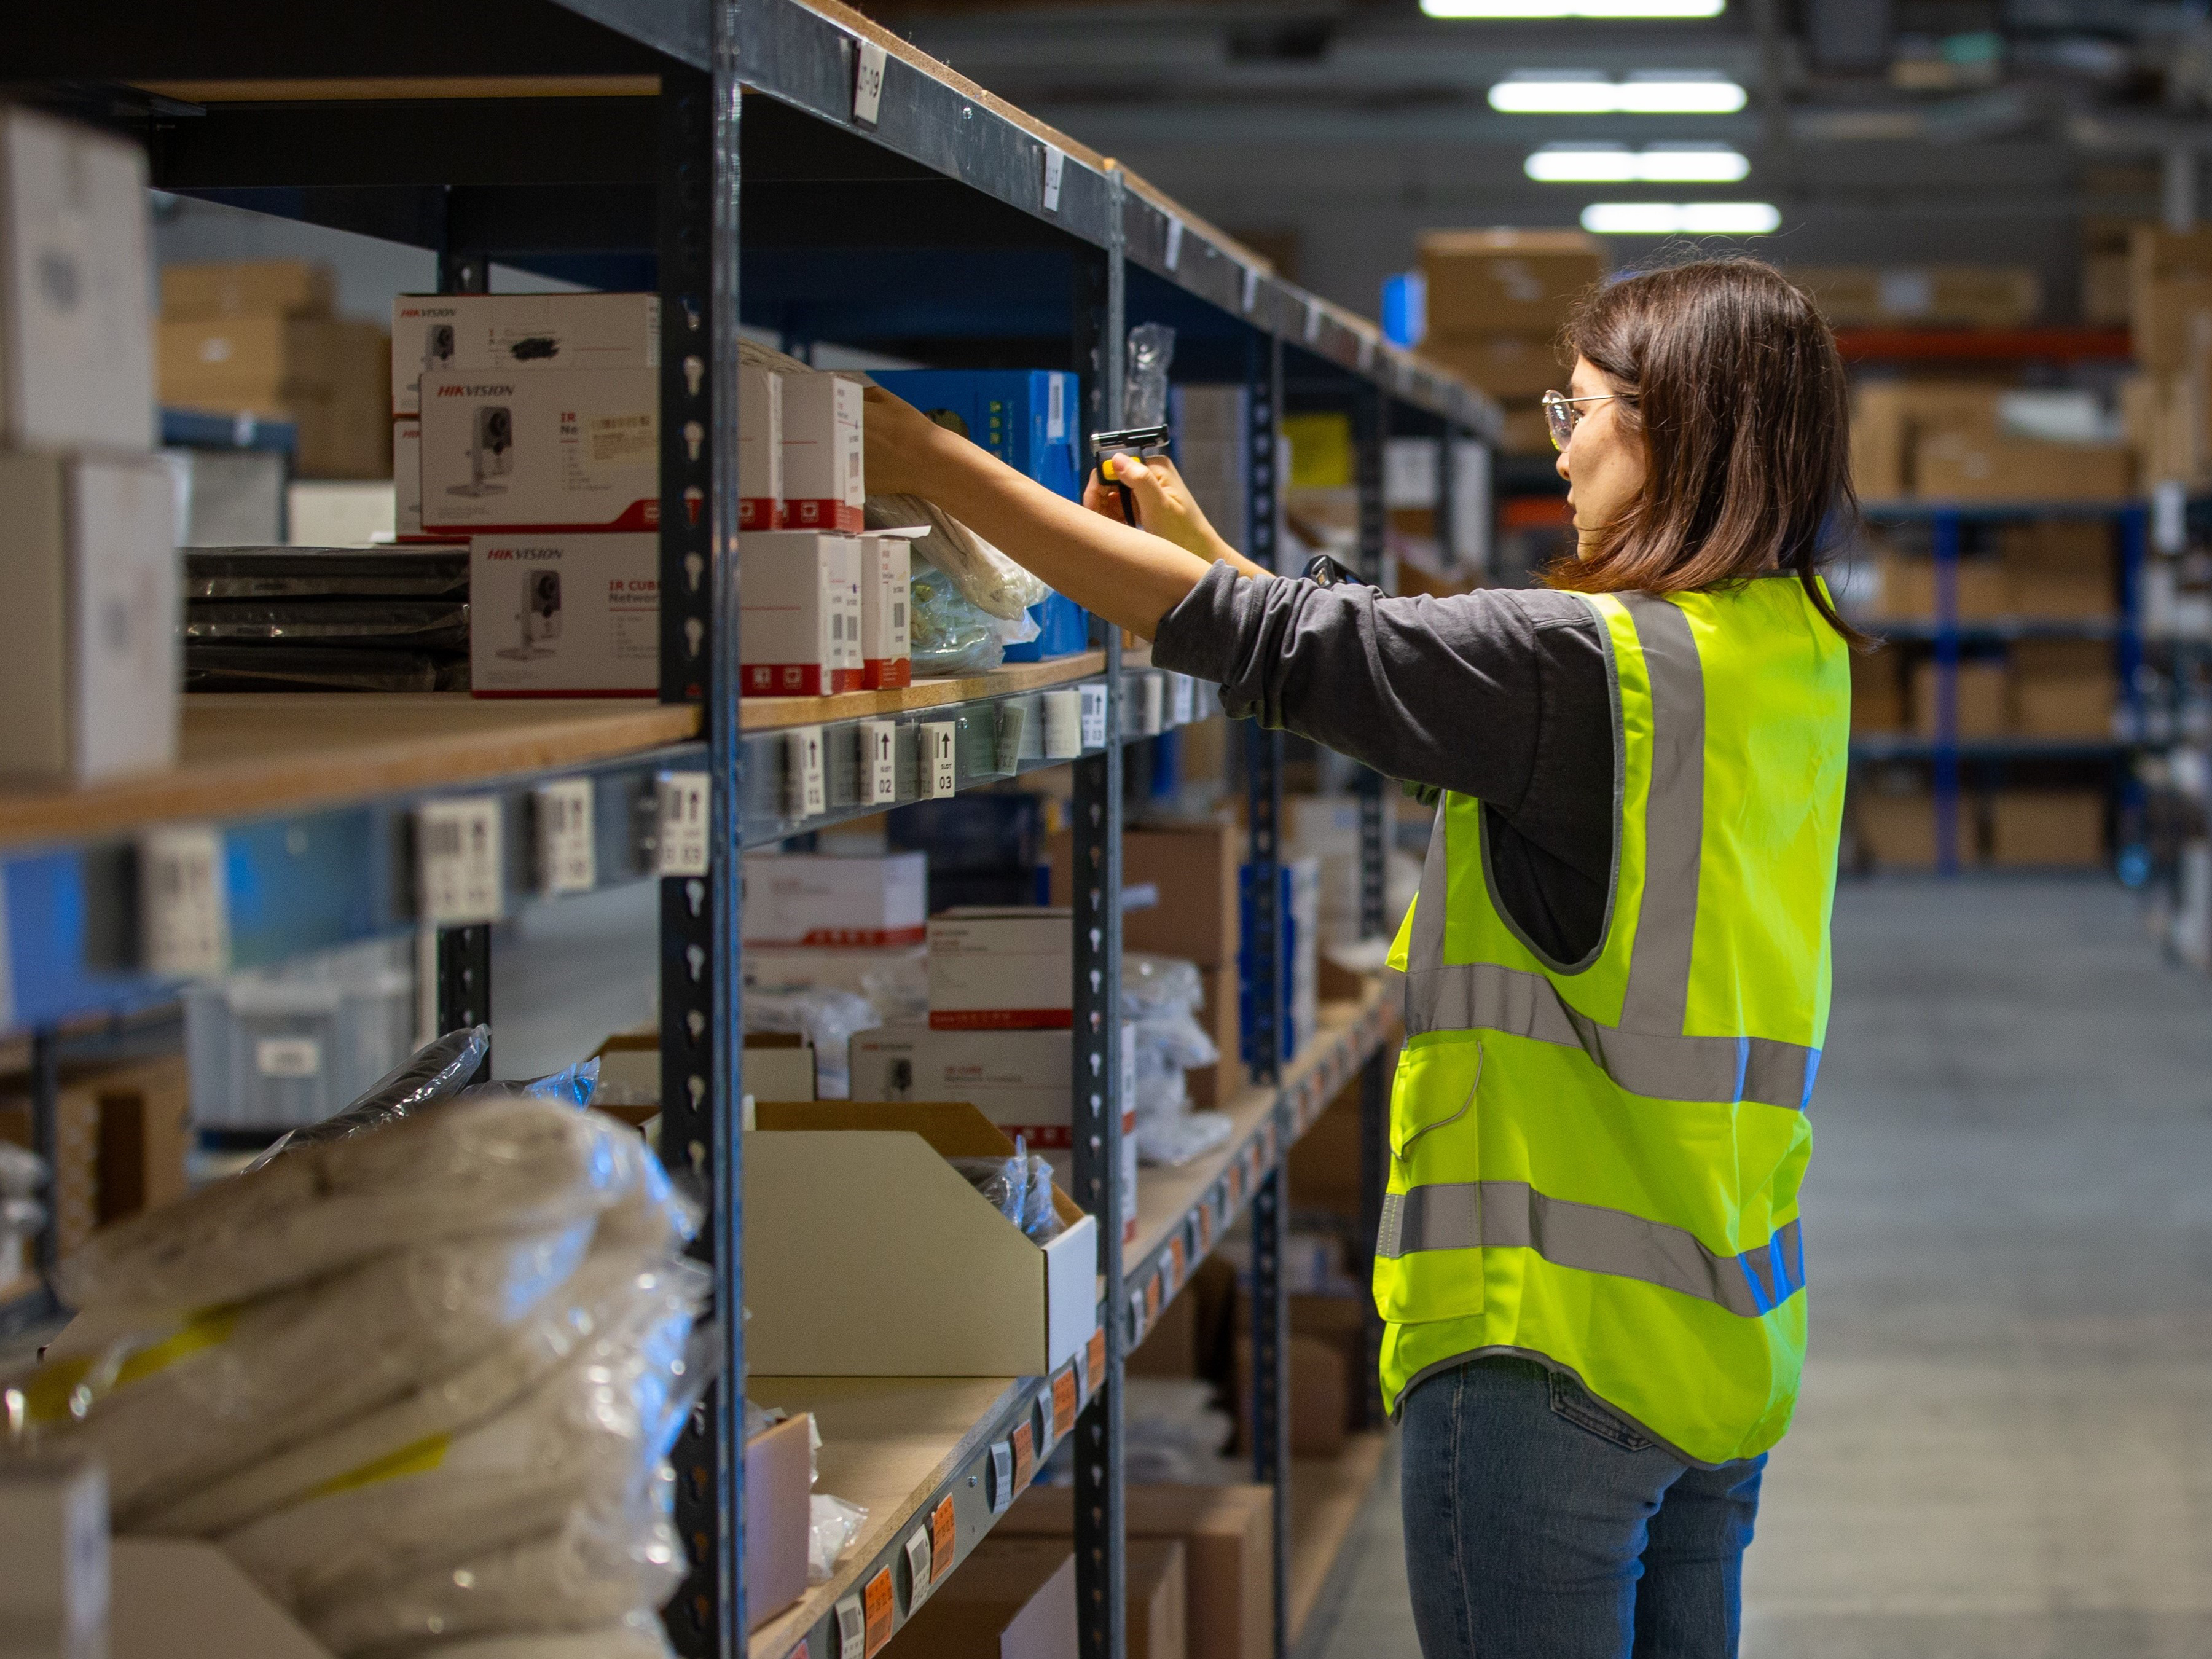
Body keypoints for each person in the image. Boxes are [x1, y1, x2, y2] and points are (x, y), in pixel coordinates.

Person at [861, 256, 1861, 1659]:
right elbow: (1361, 666)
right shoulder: (1787, 655)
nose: (1556, 444)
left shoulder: (1590, 666)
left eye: (1576, 410)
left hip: (1549, 1354)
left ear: (1678, 429)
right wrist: (1205, 550)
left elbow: (1294, 648)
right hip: (1725, 1338)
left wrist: (931, 463)